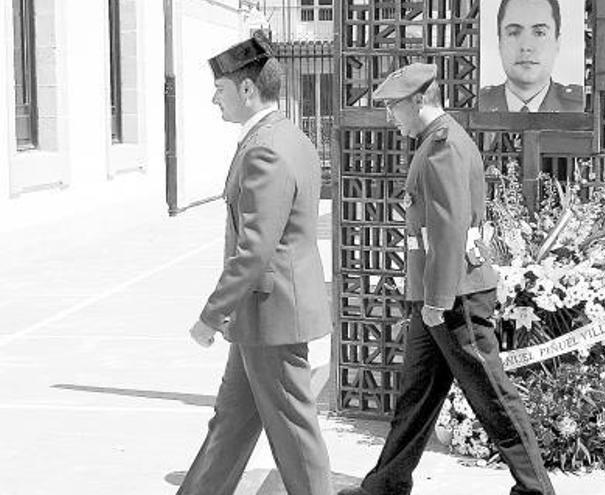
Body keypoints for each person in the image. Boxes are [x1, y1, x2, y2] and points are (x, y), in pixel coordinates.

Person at [337, 63, 555, 495]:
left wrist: (437, 300)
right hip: (437, 294)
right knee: (416, 395)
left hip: (456, 295)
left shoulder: (443, 146)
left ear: (419, 100)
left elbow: (450, 228)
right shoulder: (434, 142)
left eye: (393, 106)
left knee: (492, 397)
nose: (390, 116)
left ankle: (536, 489)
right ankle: (386, 483)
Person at [178, 33, 332, 495]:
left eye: (220, 90)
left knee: (295, 434)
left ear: (248, 91)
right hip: (264, 313)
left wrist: (211, 314)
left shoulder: (264, 147)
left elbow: (255, 248)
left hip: (272, 314)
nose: (213, 99)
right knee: (230, 425)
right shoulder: (289, 135)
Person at [479, 0, 583, 112]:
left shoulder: (579, 106)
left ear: (557, 42)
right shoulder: (476, 104)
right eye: (514, 33)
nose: (526, 47)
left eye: (539, 33)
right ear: (500, 43)